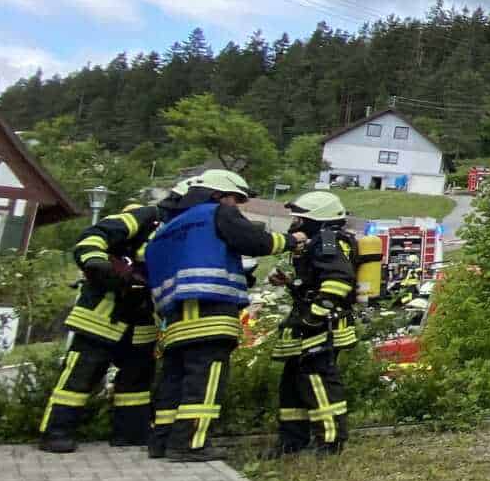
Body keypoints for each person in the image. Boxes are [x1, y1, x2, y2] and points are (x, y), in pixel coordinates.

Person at [143, 169, 292, 462]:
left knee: (173, 382)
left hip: (176, 319)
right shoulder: (216, 212)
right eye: (236, 199)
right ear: (218, 195)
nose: (237, 206)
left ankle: (161, 442)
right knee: (205, 383)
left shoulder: (168, 229)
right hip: (210, 314)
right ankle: (189, 444)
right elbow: (255, 241)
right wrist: (292, 240)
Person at [37, 188, 181, 453]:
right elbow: (94, 236)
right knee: (80, 377)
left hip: (142, 319)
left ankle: (130, 433)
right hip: (101, 317)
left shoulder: (179, 231)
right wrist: (96, 262)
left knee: (136, 382)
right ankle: (56, 432)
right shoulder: (144, 217)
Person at [272, 192, 356, 456]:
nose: (295, 222)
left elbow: (339, 279)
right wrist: (290, 283)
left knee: (318, 380)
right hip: (311, 324)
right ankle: (292, 441)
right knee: (293, 383)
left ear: (316, 219)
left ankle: (330, 441)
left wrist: (316, 314)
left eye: (299, 218)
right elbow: (315, 283)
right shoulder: (316, 242)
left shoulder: (327, 240)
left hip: (322, 327)